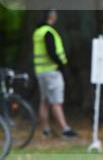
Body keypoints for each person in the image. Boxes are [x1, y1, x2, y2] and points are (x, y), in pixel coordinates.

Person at [32, 10, 78, 138]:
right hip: (52, 71)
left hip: (40, 71)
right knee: (56, 101)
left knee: (44, 100)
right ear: (52, 17)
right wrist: (61, 64)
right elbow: (52, 52)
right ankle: (65, 128)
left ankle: (46, 129)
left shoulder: (38, 32)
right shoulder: (48, 32)